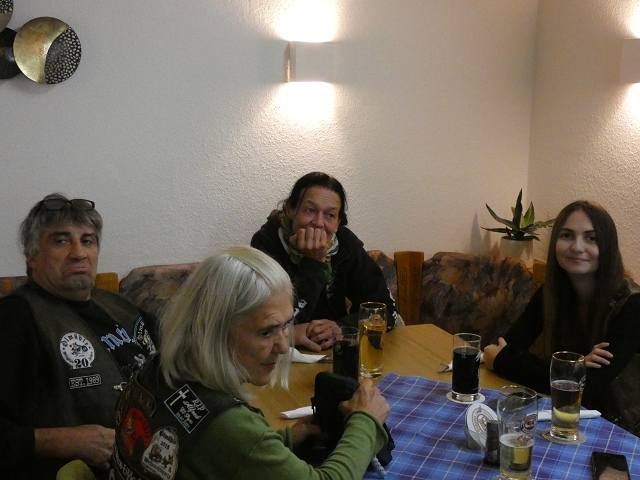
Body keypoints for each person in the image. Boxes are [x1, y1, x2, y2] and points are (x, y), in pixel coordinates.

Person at [110, 246, 390, 480]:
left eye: (286, 325)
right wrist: (365, 422)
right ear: (213, 332)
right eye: (266, 332)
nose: (283, 346)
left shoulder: (157, 369)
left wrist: (286, 440)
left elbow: (215, 455)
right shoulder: (228, 424)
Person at [0, 194, 158, 479]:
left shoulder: (120, 305)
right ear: (31, 257)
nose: (78, 253)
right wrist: (63, 441)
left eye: (87, 241)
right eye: (61, 241)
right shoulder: (15, 319)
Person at [484, 200, 640, 435]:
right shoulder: (551, 293)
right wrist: (576, 368)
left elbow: (589, 387)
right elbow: (507, 346)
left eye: (591, 238)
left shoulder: (632, 305)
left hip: (620, 430)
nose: (577, 247)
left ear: (608, 246)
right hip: (560, 418)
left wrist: (505, 362)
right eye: (567, 235)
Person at [251, 172, 399, 352]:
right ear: (290, 209)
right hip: (281, 352)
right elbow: (264, 324)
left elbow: (386, 311)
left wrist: (341, 328)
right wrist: (314, 263)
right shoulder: (266, 243)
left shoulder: (345, 245)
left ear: (338, 223)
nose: (318, 223)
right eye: (310, 210)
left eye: (330, 215)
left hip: (334, 350)